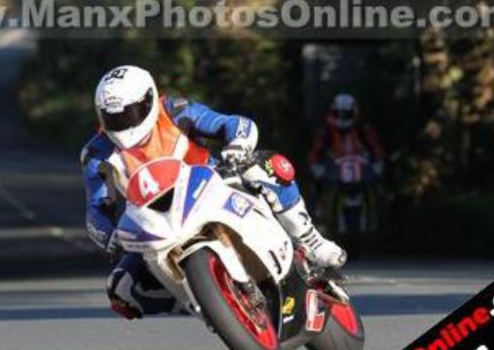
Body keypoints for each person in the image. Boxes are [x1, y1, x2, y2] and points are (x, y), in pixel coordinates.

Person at [81, 65, 347, 319]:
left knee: (267, 166)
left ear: (149, 100)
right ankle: (205, 301)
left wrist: (237, 146)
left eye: (129, 114)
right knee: (120, 289)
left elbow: (233, 124)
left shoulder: (176, 111)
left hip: (211, 187)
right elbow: (96, 210)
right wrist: (111, 236)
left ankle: (310, 240)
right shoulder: (96, 154)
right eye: (113, 118)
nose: (123, 124)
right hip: (157, 222)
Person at [309, 93, 385, 181]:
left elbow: (375, 146)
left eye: (346, 114)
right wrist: (315, 166)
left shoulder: (363, 129)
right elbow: (315, 151)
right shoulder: (326, 131)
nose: (342, 118)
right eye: (339, 114)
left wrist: (379, 162)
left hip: (363, 172)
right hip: (333, 173)